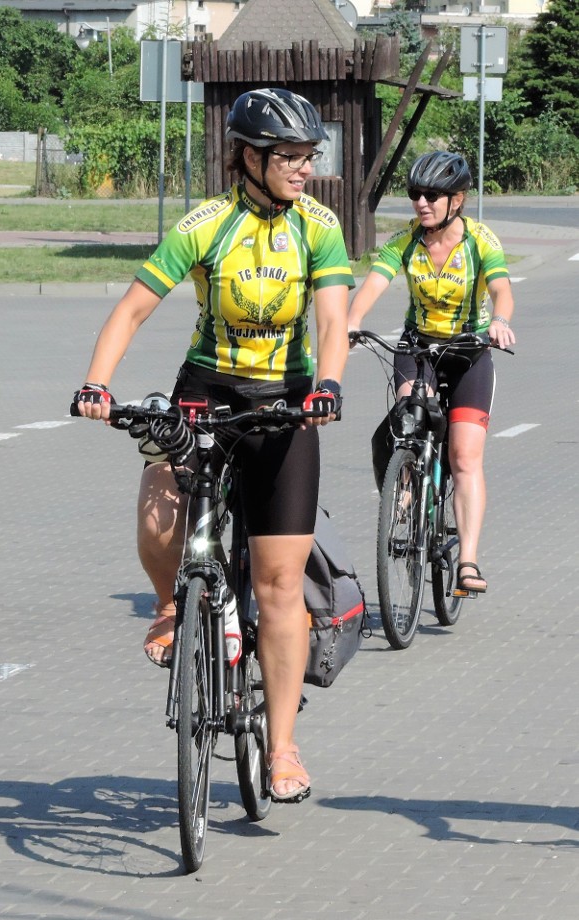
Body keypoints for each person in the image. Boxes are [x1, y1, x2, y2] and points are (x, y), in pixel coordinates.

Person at [73, 88, 353, 802]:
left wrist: (327, 384)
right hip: (208, 390)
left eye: (307, 156)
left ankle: (283, 746)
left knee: (280, 583)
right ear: (250, 158)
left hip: (288, 404)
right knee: (159, 513)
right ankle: (173, 600)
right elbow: (132, 309)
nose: (303, 168)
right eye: (289, 156)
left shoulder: (319, 226)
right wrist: (96, 385)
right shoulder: (206, 224)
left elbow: (332, 321)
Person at [348, 151, 516, 595]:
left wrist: (500, 320)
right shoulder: (405, 241)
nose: (421, 203)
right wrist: (352, 320)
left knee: (463, 457)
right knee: (408, 426)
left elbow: (501, 287)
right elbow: (375, 282)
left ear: (456, 200)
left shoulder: (481, 241)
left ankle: (468, 560)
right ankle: (404, 497)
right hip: (418, 347)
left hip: (469, 353)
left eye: (432, 196)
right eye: (415, 194)